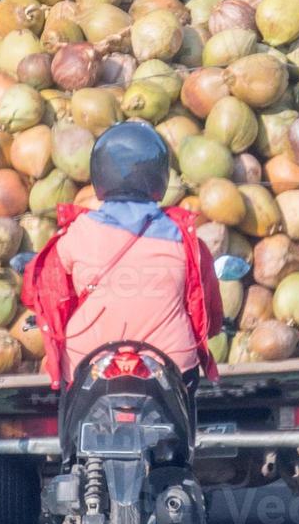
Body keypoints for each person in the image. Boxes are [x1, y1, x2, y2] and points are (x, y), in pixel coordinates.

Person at [23, 121, 223, 390]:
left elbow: (38, 289)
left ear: (99, 176)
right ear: (161, 178)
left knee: (72, 427)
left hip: (89, 368)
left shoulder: (77, 234)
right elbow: (209, 316)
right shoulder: (187, 242)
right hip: (171, 370)